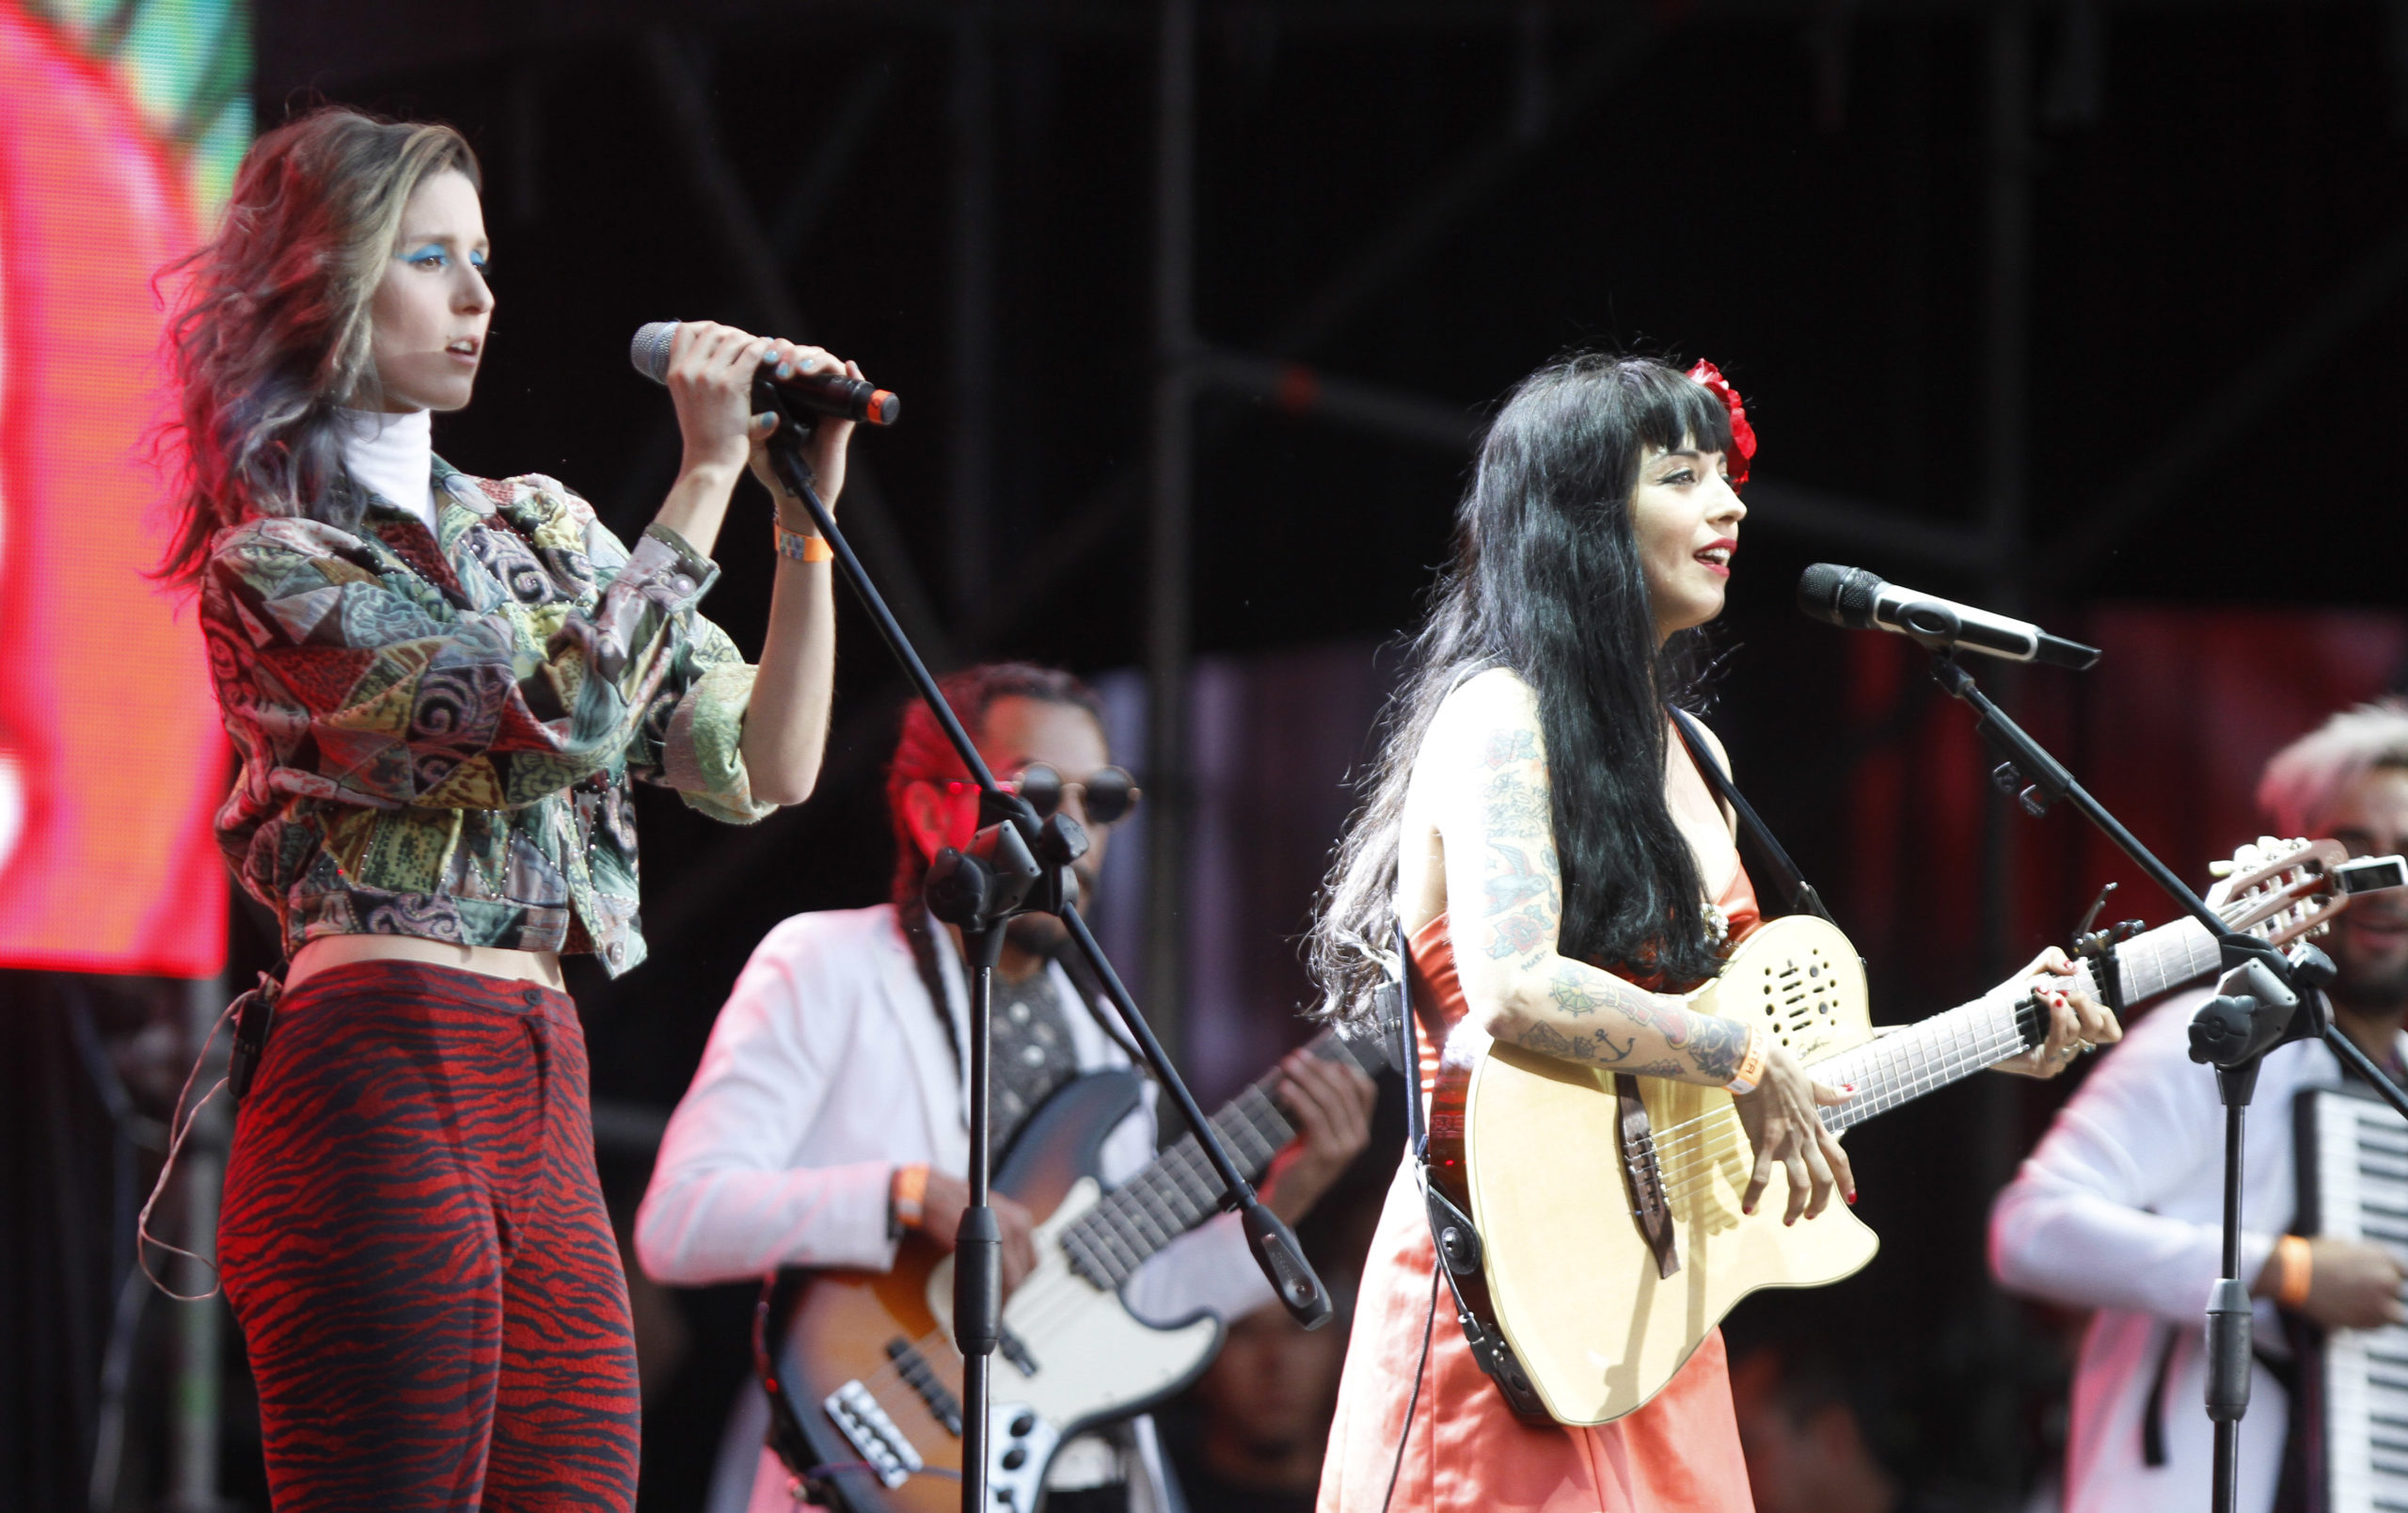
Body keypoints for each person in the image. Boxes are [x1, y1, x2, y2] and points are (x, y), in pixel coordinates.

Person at [165, 107, 850, 1511]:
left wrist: (799, 524)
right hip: (373, 1070)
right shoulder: (275, 562)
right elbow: (564, 717)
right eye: (432, 259)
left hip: (542, 1076)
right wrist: (706, 475)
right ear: (326, 280)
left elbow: (757, 766)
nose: (481, 297)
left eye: (481, 258)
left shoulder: (541, 524)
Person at [1304, 353, 2115, 1513]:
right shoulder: (1498, 717)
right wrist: (1737, 1058)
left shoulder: (1697, 754)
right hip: (1508, 1298)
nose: (1730, 505)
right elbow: (1516, 988)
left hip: (1654, 1311)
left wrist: (1997, 1030)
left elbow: (1782, 1079)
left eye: (1726, 477)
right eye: (1682, 477)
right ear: (1578, 519)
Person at [634, 661, 1379, 1513]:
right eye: (1030, 789)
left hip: (1078, 1481)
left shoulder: (1112, 1049)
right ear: (925, 812)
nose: (1073, 831)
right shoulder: (823, 966)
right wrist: (903, 1195)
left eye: (1100, 800)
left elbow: (1126, 1305)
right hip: (867, 1467)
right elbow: (679, 1223)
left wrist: (1293, 1190)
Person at [1990, 698, 2408, 1513]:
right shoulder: (2211, 1037)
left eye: (2407, 857)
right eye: (2355, 850)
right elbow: (2030, 1230)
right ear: (2298, 874)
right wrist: (2284, 1271)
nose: (2385, 883)